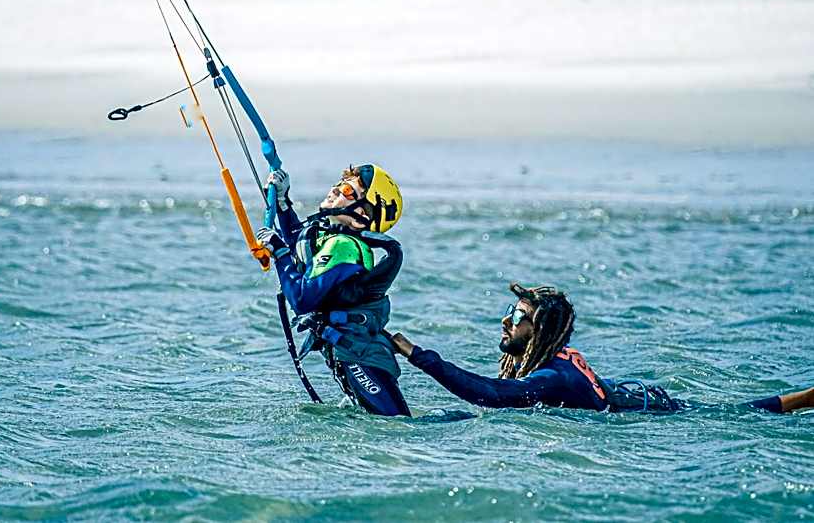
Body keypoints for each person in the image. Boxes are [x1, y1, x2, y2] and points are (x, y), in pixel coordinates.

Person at [390, 283, 814, 414]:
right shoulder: (551, 363)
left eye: (517, 316)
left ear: (540, 330)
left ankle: (806, 398)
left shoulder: (552, 375)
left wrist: (418, 355)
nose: (506, 321)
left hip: (646, 414)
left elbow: (492, 394)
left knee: (733, 413)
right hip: (629, 397)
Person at [256, 164, 411, 416]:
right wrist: (283, 203)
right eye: (339, 185)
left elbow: (302, 299)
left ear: (359, 217)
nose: (335, 190)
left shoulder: (342, 246)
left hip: (362, 358)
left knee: (395, 424)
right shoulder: (333, 238)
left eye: (347, 191)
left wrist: (281, 254)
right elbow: (300, 244)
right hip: (356, 353)